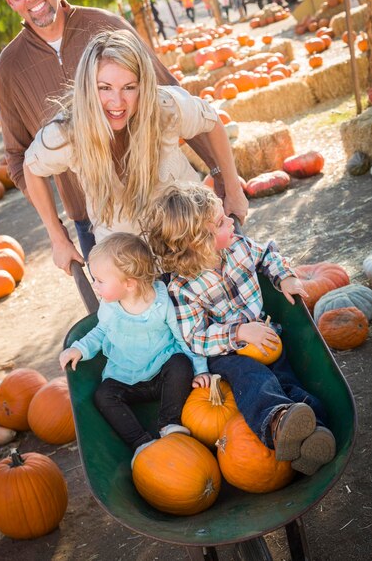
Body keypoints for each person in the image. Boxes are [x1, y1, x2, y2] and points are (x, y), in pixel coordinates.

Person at [0, 0, 247, 266]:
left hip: (166, 202)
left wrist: (220, 174)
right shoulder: (10, 68)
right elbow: (20, 159)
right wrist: (57, 235)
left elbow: (172, 99)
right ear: (9, 1)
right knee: (134, 307)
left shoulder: (107, 26)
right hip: (95, 221)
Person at [147, 183, 336, 476]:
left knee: (287, 381)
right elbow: (195, 337)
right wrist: (238, 333)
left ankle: (313, 437)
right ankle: (275, 423)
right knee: (255, 379)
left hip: (266, 335)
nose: (231, 221)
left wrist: (284, 277)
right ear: (199, 242)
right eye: (221, 222)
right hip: (227, 353)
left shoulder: (239, 247)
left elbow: (267, 255)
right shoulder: (182, 288)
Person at [23, 29, 246, 273]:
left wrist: (233, 189)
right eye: (104, 88)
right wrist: (58, 238)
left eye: (129, 87)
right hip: (130, 264)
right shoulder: (68, 133)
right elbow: (31, 169)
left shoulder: (165, 107)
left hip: (192, 245)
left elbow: (212, 122)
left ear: (144, 85)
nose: (117, 102)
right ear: (88, 88)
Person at [59, 232, 208, 466]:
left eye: (99, 280)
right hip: (125, 378)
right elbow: (99, 332)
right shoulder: (109, 307)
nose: (95, 286)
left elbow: (184, 339)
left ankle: (169, 423)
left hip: (162, 373)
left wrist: (200, 370)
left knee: (180, 364)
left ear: (129, 283)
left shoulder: (162, 301)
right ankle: (140, 442)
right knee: (103, 395)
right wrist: (79, 348)